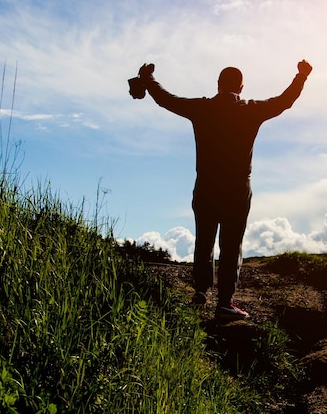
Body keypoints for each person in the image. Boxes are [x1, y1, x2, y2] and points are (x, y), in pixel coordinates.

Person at [132, 59, 313, 320]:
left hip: (205, 185)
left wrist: (148, 80)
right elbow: (284, 101)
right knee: (231, 245)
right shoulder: (251, 110)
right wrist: (301, 76)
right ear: (241, 86)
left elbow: (167, 100)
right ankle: (225, 303)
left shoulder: (202, 108)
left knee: (204, 240)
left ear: (218, 85)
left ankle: (200, 294)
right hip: (237, 189)